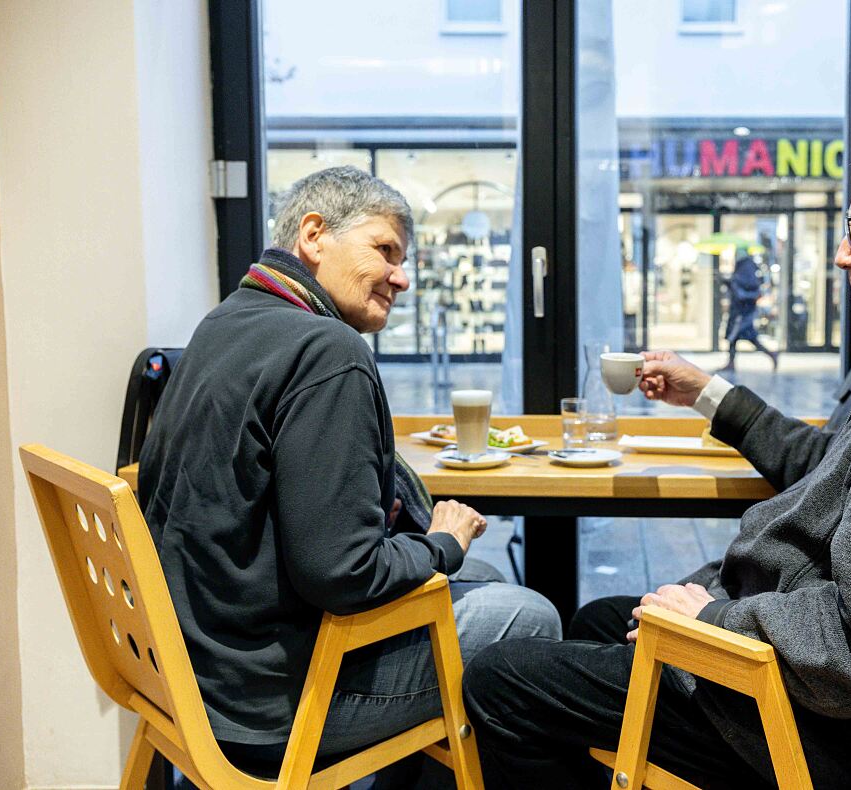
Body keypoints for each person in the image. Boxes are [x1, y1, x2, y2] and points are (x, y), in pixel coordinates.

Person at [462, 126, 851, 789]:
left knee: (504, 681)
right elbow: (842, 477)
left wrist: (707, 621)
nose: (844, 257)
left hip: (814, 728)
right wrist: (710, 398)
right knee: (598, 621)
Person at [138, 166, 560, 782]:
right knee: (529, 618)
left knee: (489, 575)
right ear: (314, 235)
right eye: (384, 250)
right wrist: (441, 545)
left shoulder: (224, 322)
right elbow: (341, 573)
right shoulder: (327, 352)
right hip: (272, 702)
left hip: (198, 666)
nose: (403, 277)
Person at [720, 250, 779, 372]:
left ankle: (771, 354)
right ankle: (731, 362)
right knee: (734, 337)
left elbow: (744, 289)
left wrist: (731, 283)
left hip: (743, 311)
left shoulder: (746, 267)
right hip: (739, 309)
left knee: (741, 336)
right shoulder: (744, 266)